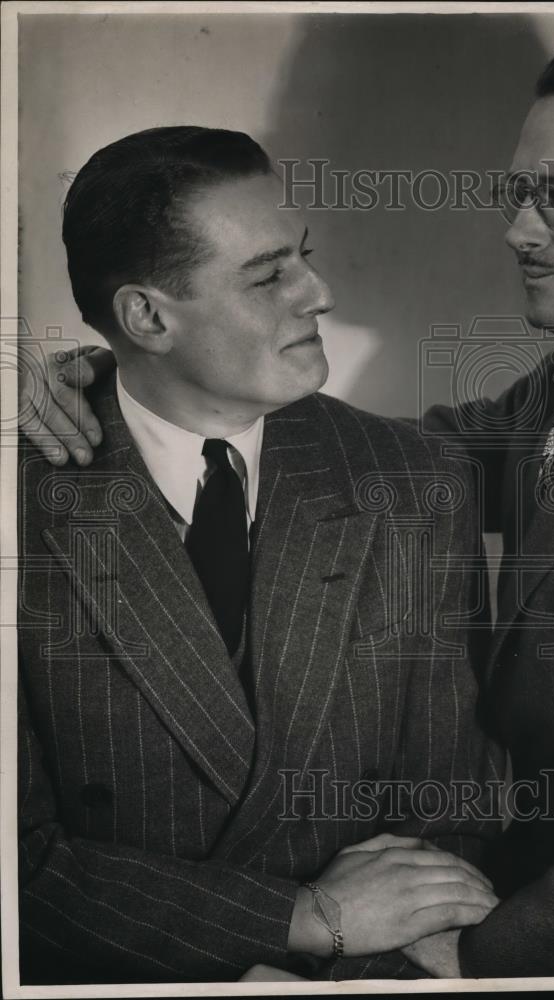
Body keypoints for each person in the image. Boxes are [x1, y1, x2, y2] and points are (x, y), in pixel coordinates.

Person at [22, 30, 554, 978]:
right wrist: (119, 370)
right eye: (516, 194)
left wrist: (474, 957)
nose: (515, 228)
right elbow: (382, 459)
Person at [15, 125, 502, 985]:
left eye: (304, 257)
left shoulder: (417, 481)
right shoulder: (18, 499)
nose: (320, 292)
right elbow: (15, 873)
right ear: (147, 317)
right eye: (270, 274)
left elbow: (447, 823)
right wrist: (299, 921)